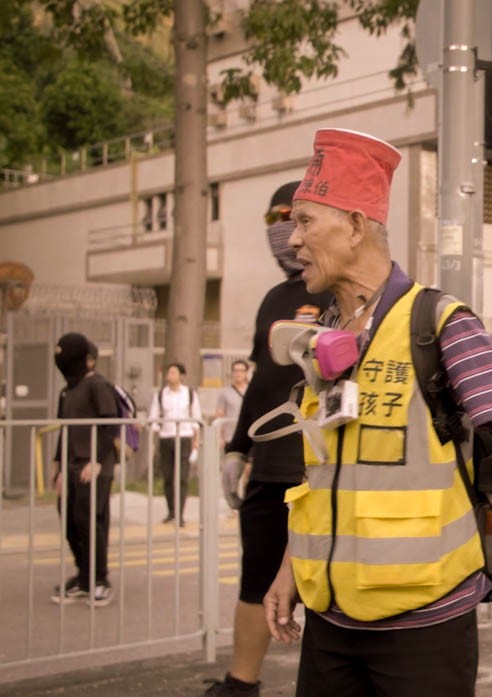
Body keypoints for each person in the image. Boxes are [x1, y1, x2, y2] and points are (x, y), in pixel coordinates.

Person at [260, 127, 492, 697]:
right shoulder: (326, 336)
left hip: (424, 625)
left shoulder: (438, 324)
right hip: (330, 621)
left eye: (308, 222)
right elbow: (323, 470)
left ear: (357, 225)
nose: (293, 242)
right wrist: (291, 568)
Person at [202, 182, 332, 697]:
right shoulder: (274, 298)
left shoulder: (340, 292)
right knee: (256, 581)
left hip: (319, 469)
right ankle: (241, 682)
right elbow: (259, 379)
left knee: (324, 589)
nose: (284, 230)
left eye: (295, 216)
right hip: (270, 471)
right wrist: (238, 448)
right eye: (275, 218)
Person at [50, 332, 118, 607]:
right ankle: (83, 576)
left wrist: (97, 461)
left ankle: (100, 580)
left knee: (91, 523)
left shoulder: (98, 385)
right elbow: (64, 430)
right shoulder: (67, 390)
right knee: (70, 522)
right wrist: (58, 465)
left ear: (90, 361)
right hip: (71, 465)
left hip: (94, 465)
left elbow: (110, 423)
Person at [149, 362, 201, 527]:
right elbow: (153, 418)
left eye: (173, 372)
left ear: (181, 376)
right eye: (168, 372)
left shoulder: (190, 394)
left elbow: (196, 419)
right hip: (166, 438)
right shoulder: (160, 395)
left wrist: (195, 442)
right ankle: (171, 511)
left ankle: (180, 514)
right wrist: (158, 428)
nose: (169, 376)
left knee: (182, 477)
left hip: (184, 438)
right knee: (168, 477)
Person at [214, 359, 249, 445]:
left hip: (249, 437)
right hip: (230, 437)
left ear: (246, 373)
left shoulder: (253, 391)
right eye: (235, 370)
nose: (238, 373)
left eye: (241, 370)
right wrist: (220, 437)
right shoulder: (224, 392)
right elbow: (219, 415)